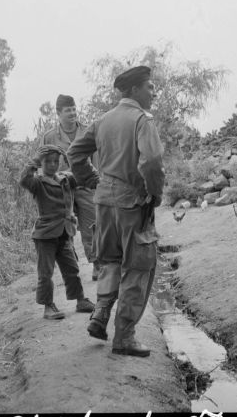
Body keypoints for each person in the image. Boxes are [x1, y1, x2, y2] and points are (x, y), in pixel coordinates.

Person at [67, 66, 165, 357]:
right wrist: (154, 194)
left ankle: (100, 314)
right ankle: (124, 337)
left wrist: (92, 180)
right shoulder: (142, 120)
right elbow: (152, 162)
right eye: (149, 87)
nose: (154, 92)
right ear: (134, 90)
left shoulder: (103, 120)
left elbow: (74, 154)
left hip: (104, 202)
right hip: (132, 203)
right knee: (137, 267)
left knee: (109, 261)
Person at [19, 145, 95, 320]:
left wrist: (71, 157)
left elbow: (83, 175)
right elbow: (24, 179)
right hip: (45, 235)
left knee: (72, 268)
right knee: (45, 272)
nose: (53, 165)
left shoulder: (66, 178)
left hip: (64, 232)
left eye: (56, 161)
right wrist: (37, 159)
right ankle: (48, 306)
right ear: (41, 163)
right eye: (47, 162)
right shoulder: (37, 182)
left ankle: (80, 300)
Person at [42, 94, 100, 281]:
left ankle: (97, 264)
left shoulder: (88, 131)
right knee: (66, 230)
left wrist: (98, 182)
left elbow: (96, 159)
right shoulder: (50, 136)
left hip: (86, 186)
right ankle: (72, 268)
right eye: (68, 110)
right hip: (62, 190)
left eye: (74, 109)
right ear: (58, 113)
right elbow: (44, 165)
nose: (73, 113)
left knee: (92, 225)